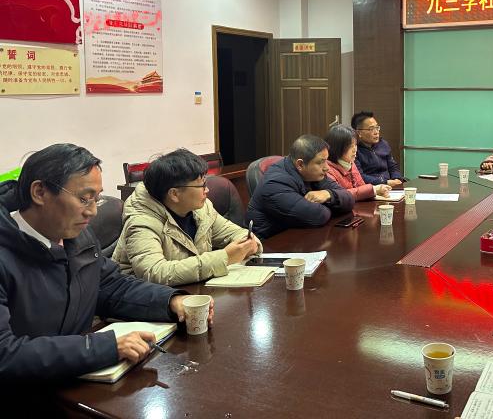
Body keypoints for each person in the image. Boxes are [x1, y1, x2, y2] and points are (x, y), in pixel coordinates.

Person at [0, 143, 213, 381]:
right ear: (40, 192)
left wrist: (171, 301)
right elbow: (5, 354)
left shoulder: (77, 236)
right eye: (84, 199)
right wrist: (104, 348)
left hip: (77, 380)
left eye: (96, 199)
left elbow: (109, 286)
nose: (92, 212)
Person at [112, 149, 261, 286]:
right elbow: (155, 273)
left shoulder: (202, 209)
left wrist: (248, 243)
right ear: (174, 194)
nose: (207, 190)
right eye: (201, 186)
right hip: (142, 299)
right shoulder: (141, 222)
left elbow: (233, 233)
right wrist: (224, 258)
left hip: (191, 290)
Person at [247, 135, 354, 239]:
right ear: (300, 164)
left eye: (326, 160)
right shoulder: (274, 184)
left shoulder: (313, 174)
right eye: (321, 162)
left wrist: (328, 194)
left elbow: (349, 199)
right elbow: (319, 216)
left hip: (298, 236)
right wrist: (334, 204)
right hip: (269, 244)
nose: (327, 168)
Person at [325, 125, 392, 201]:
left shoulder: (350, 163)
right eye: (350, 146)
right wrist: (373, 189)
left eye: (355, 145)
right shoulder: (327, 169)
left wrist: (377, 193)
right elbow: (339, 195)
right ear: (337, 148)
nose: (355, 150)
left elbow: (361, 186)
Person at [351, 111, 405, 187]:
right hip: (372, 188)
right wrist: (385, 182)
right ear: (359, 133)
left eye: (377, 128)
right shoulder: (354, 150)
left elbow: (393, 166)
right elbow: (360, 176)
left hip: (391, 186)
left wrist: (397, 178)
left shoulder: (383, 144)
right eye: (371, 129)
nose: (376, 132)